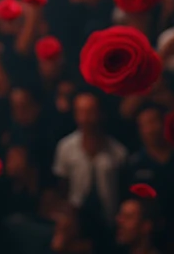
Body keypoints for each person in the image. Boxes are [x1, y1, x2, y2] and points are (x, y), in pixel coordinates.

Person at [53, 93, 128, 235]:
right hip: (76, 222)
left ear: (101, 114)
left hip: (109, 222)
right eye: (80, 112)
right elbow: (62, 187)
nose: (85, 118)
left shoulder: (118, 152)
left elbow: (122, 189)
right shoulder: (65, 148)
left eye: (90, 112)